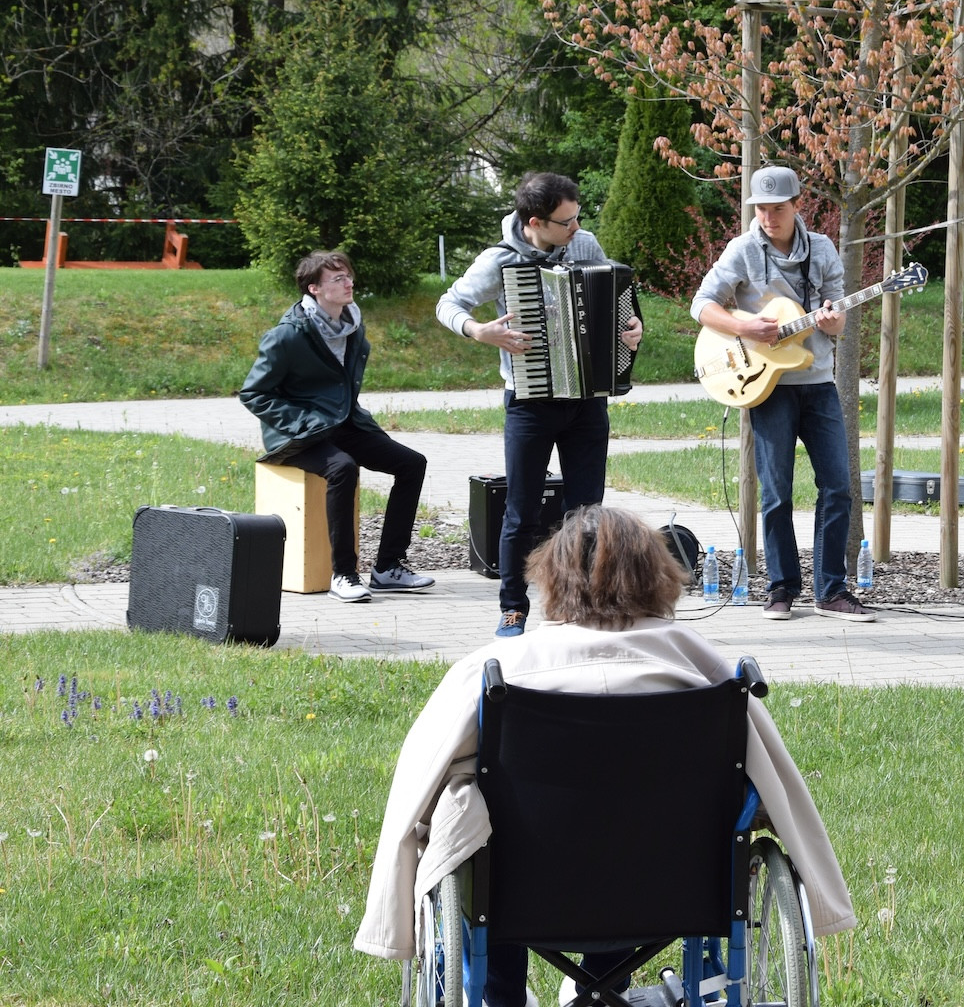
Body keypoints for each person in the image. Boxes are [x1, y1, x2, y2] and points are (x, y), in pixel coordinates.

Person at [353, 506, 857, 1006]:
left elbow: (417, 785)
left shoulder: (495, 671)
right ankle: (604, 985)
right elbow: (774, 782)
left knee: (477, 825)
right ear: (656, 575)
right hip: (675, 891)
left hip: (519, 894)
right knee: (633, 826)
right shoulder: (706, 668)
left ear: (551, 578)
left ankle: (502, 996)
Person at [437, 172, 643, 638]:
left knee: (587, 510)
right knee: (521, 511)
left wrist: (632, 328)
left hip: (587, 400)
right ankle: (513, 607)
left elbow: (617, 298)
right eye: (566, 221)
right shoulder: (499, 260)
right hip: (529, 402)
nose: (577, 227)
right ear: (535, 222)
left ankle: (582, 604)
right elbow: (448, 303)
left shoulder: (584, 244)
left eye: (577, 217)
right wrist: (479, 330)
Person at [691, 164, 873, 622]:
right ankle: (781, 588)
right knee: (776, 493)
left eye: (777, 209)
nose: (768, 218)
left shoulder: (823, 249)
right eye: (761, 210)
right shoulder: (742, 249)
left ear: (797, 204)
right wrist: (744, 327)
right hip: (765, 387)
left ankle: (831, 591)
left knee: (838, 487)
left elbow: (838, 320)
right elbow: (702, 305)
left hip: (818, 385)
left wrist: (833, 320)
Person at [239, 250, 433, 603]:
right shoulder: (287, 335)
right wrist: (304, 422)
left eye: (348, 276)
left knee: (411, 463)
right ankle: (343, 574)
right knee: (343, 468)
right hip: (297, 434)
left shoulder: (352, 324)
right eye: (338, 278)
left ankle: (388, 568)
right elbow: (254, 393)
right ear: (314, 288)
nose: (348, 283)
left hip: (342, 424)